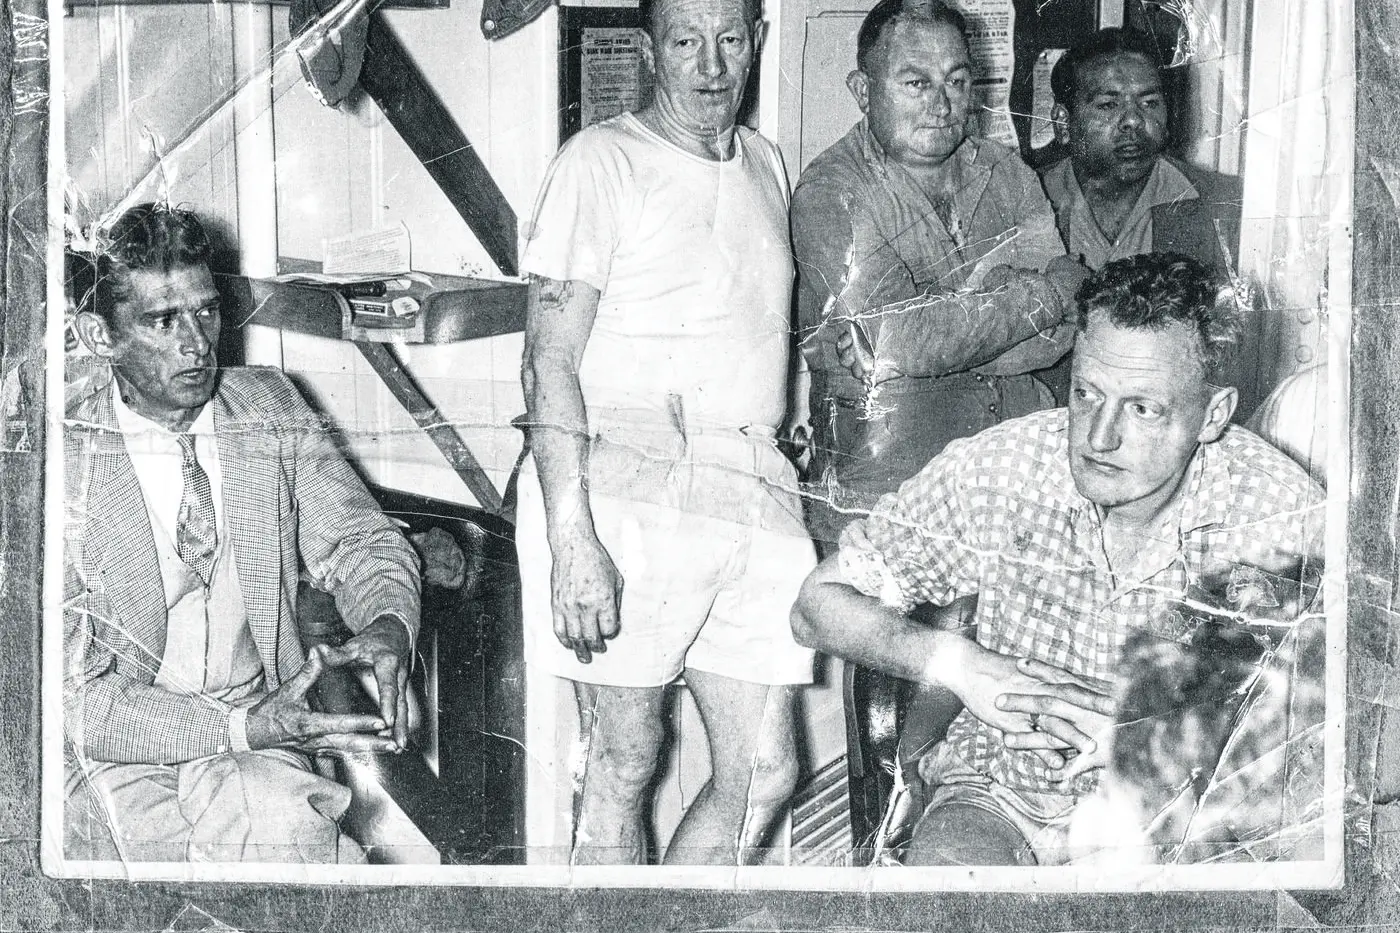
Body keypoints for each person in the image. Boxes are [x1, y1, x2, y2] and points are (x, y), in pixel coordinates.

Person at [791, 252, 1325, 866]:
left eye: (1143, 408)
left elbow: (1370, 735)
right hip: (1000, 796)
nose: (1099, 437)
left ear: (1213, 415)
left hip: (1183, 818)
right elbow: (815, 607)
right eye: (1086, 394)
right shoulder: (1000, 469)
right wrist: (962, 664)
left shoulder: (1282, 514)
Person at [516, 0, 814, 865]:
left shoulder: (766, 161)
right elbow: (548, 364)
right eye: (686, 42)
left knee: (764, 769)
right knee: (623, 759)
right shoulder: (600, 161)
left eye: (730, 39)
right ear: (651, 51)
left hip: (751, 485)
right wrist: (574, 536)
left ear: (756, 41)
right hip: (624, 488)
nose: (711, 65)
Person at [63, 203, 422, 864]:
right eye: (162, 320)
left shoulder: (269, 407)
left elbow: (364, 543)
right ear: (98, 334)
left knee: (290, 839)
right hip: (113, 756)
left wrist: (387, 624)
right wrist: (233, 726)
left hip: (260, 737)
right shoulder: (58, 465)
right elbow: (72, 696)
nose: (198, 344)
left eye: (206, 311)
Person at [790, 0, 1089, 550]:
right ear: (863, 90)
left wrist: (951, 327)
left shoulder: (1004, 170)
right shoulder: (833, 192)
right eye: (915, 83)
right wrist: (1043, 293)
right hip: (886, 504)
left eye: (956, 80)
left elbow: (1063, 333)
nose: (942, 104)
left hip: (1014, 494)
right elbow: (898, 344)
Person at [1036, 27, 1245, 404]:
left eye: (1149, 103)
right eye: (1108, 105)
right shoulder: (1027, 202)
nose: (1133, 121)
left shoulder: (1225, 206)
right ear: (1063, 121)